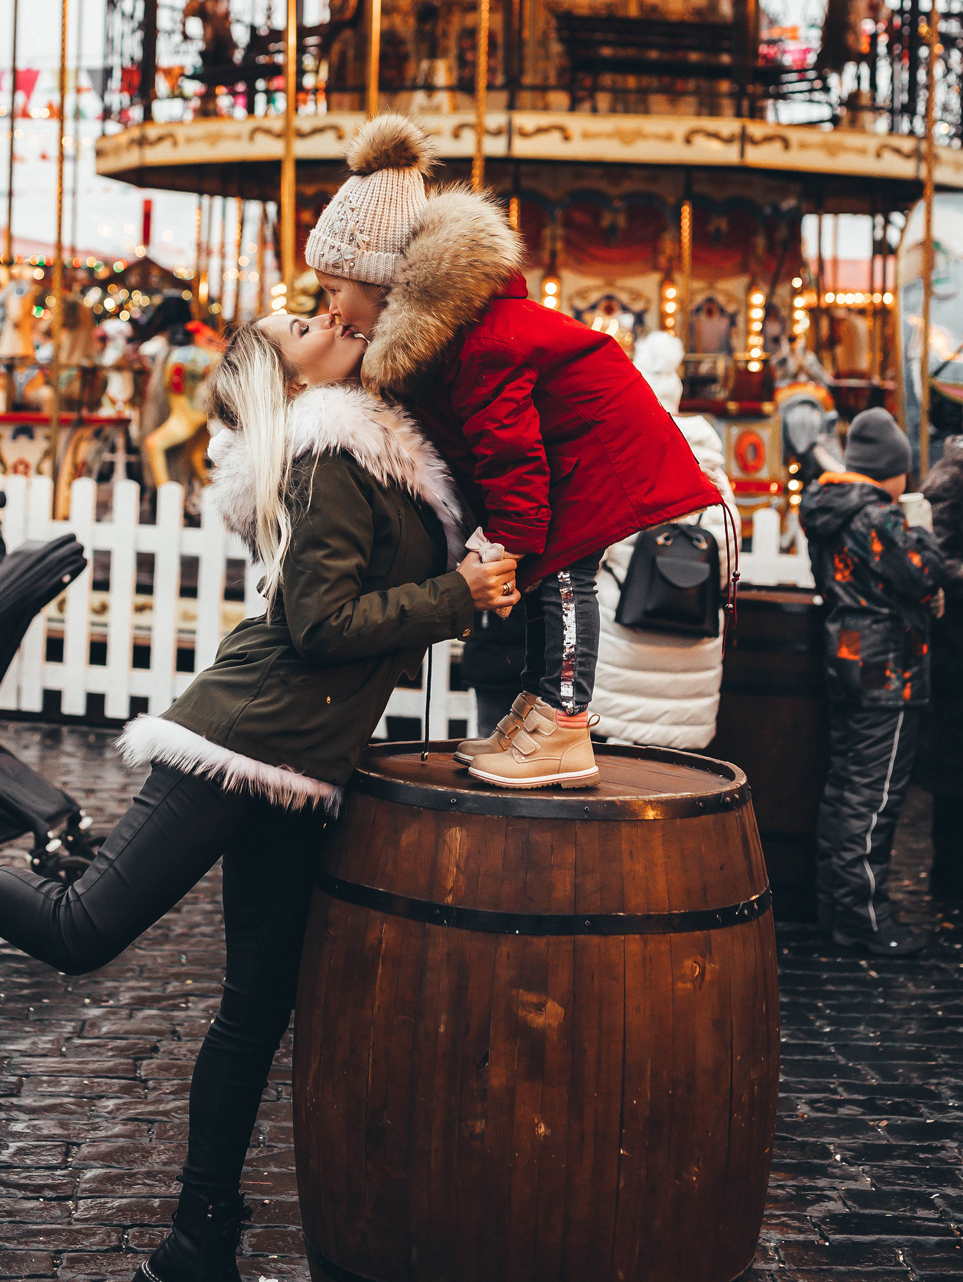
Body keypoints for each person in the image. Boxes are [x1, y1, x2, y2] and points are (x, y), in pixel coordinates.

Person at [0, 310, 517, 1282]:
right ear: (294, 375)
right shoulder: (328, 454)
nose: (323, 315)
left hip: (305, 763)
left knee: (256, 1005)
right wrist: (457, 590)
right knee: (84, 925)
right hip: (241, 735)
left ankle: (198, 1243)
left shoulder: (379, 445)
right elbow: (321, 624)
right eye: (305, 323)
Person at [304, 114, 721, 790]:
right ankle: (535, 710)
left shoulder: (481, 346)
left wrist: (504, 540)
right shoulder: (450, 342)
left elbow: (510, 454)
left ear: (379, 285)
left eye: (333, 291)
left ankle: (562, 722)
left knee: (562, 577)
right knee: (545, 583)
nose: (329, 310)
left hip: (595, 461)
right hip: (573, 458)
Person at [801, 407, 947, 957]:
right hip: (887, 668)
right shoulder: (876, 516)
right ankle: (866, 918)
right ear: (894, 468)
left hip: (850, 658)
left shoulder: (832, 508)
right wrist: (924, 529)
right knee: (875, 796)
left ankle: (835, 910)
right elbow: (924, 571)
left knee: (846, 790)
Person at [591, 331, 739, 752]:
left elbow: (592, 561)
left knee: (614, 783)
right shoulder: (716, 481)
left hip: (624, 656)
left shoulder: (621, 466)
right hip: (691, 666)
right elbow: (728, 567)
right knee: (671, 784)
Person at [919, 436, 963, 904]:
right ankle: (948, 882)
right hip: (954, 649)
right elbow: (939, 560)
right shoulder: (951, 480)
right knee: (954, 773)